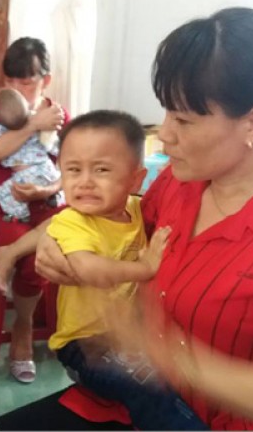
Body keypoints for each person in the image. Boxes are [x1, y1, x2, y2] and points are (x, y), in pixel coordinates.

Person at [0, 8, 253, 430]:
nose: (164, 134)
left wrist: (165, 353)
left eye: (183, 120)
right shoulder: (181, 181)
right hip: (125, 399)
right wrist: (48, 242)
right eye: (167, 112)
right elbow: (109, 222)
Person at [45, 109, 208, 429]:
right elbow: (88, 269)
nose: (85, 181)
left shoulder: (137, 209)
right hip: (83, 345)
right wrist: (145, 268)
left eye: (102, 170)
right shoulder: (71, 221)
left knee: (171, 378)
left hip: (125, 337)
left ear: (136, 179)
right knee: (146, 384)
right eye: (73, 170)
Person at [0, 37, 69, 383]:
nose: (17, 89)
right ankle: (18, 328)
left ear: (46, 80)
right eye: (10, 81)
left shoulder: (59, 116)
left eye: (27, 82)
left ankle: (23, 323)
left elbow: (71, 169)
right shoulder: (0, 104)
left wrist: (47, 189)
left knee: (42, 253)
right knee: (33, 253)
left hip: (43, 205)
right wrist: (32, 124)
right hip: (0, 208)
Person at [0, 88, 61, 222]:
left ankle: (21, 215)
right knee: (56, 179)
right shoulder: (36, 118)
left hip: (27, 175)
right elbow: (51, 143)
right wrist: (60, 151)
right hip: (48, 170)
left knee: (3, 193)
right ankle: (54, 197)